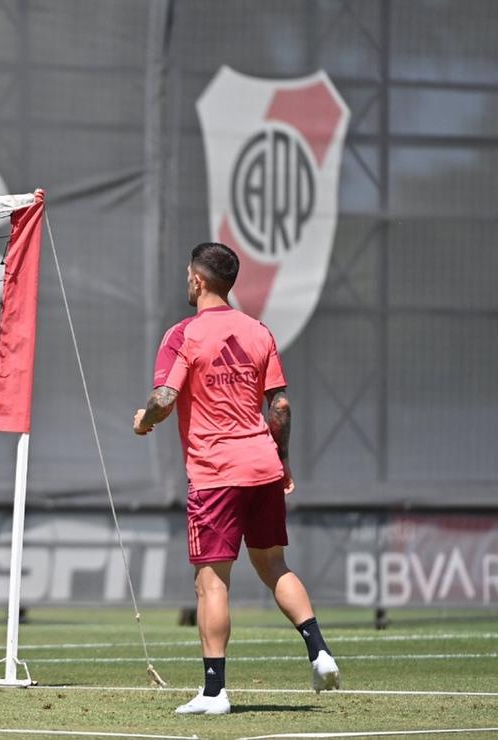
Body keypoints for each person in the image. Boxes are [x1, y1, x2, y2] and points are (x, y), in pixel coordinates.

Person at [133, 242, 340, 715]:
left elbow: (165, 398)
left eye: (189, 273)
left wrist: (144, 420)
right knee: (274, 566)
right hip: (263, 467)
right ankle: (320, 652)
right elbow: (281, 405)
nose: (187, 280)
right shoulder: (258, 330)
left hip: (215, 473)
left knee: (211, 581)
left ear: (199, 280)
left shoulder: (182, 334)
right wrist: (282, 459)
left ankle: (213, 692)